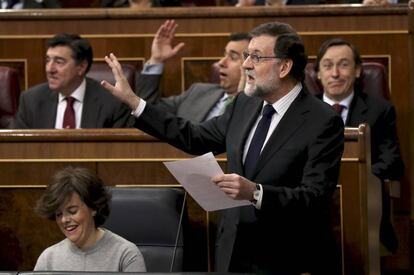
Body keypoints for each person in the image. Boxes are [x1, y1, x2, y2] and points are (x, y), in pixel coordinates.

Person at [102, 21, 345, 274]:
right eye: (246, 56)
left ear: (284, 67)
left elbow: (314, 198)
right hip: (232, 251)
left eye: (256, 57)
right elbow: (194, 137)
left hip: (287, 255)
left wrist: (256, 192)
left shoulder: (323, 121)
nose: (246, 64)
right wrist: (136, 103)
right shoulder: (245, 104)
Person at [314, 38, 405, 253]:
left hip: (361, 205)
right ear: (318, 73)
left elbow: (392, 162)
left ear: (357, 71)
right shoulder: (300, 111)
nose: (335, 73)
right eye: (327, 66)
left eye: (343, 65)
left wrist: (356, 179)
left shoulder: (379, 111)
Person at [34, 166, 146, 272]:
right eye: (58, 214)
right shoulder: (48, 259)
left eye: (72, 211)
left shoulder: (126, 254)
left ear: (93, 208)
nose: (64, 220)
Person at [137, 20, 250, 123]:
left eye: (233, 57)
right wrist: (156, 60)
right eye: (224, 54)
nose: (221, 62)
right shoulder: (197, 92)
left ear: (250, 65)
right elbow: (148, 110)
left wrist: (243, 97)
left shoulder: (259, 106)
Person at [13, 33, 133, 129]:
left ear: (81, 67)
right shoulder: (31, 100)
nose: (50, 69)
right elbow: (17, 149)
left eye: (59, 62)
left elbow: (117, 152)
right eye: (48, 60)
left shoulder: (112, 103)